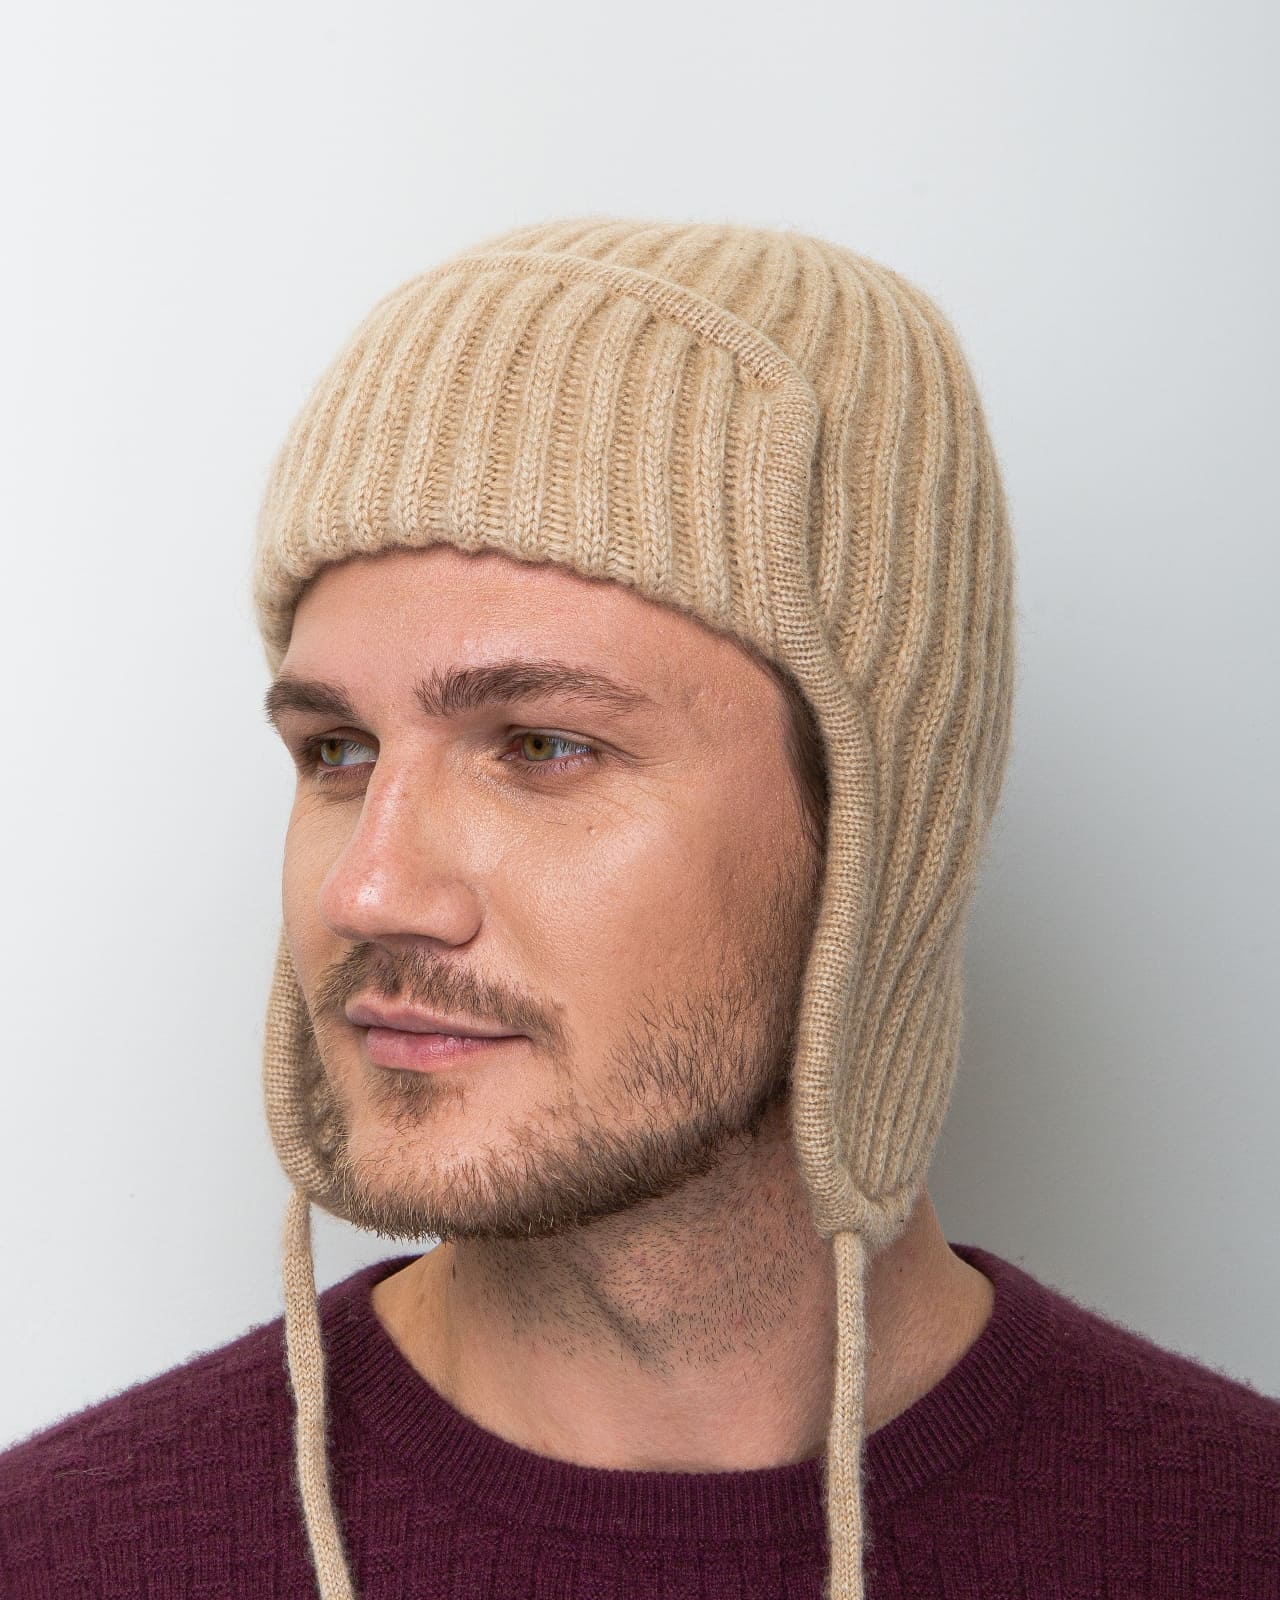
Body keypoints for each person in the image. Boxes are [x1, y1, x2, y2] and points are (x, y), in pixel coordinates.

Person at [2, 217, 1276, 1600]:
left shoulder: (1228, 1533)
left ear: (883, 828)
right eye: (338, 751)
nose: (367, 888)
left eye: (543, 746)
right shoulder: (64, 1557)